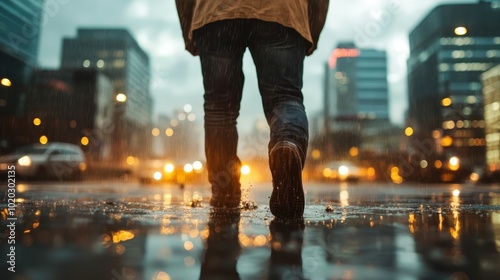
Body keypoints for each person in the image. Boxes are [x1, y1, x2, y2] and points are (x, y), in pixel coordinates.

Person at [176, 0, 329, 219]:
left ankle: (224, 191)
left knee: (220, 108)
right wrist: (311, 27)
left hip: (217, 12)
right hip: (282, 11)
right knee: (285, 98)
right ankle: (286, 145)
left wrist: (188, 26)